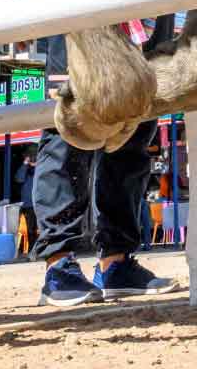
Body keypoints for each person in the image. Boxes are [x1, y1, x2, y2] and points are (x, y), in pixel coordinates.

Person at [32, 32, 181, 306]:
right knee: (69, 125)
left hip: (144, 21)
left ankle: (115, 263)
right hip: (78, 18)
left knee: (136, 128)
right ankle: (58, 264)